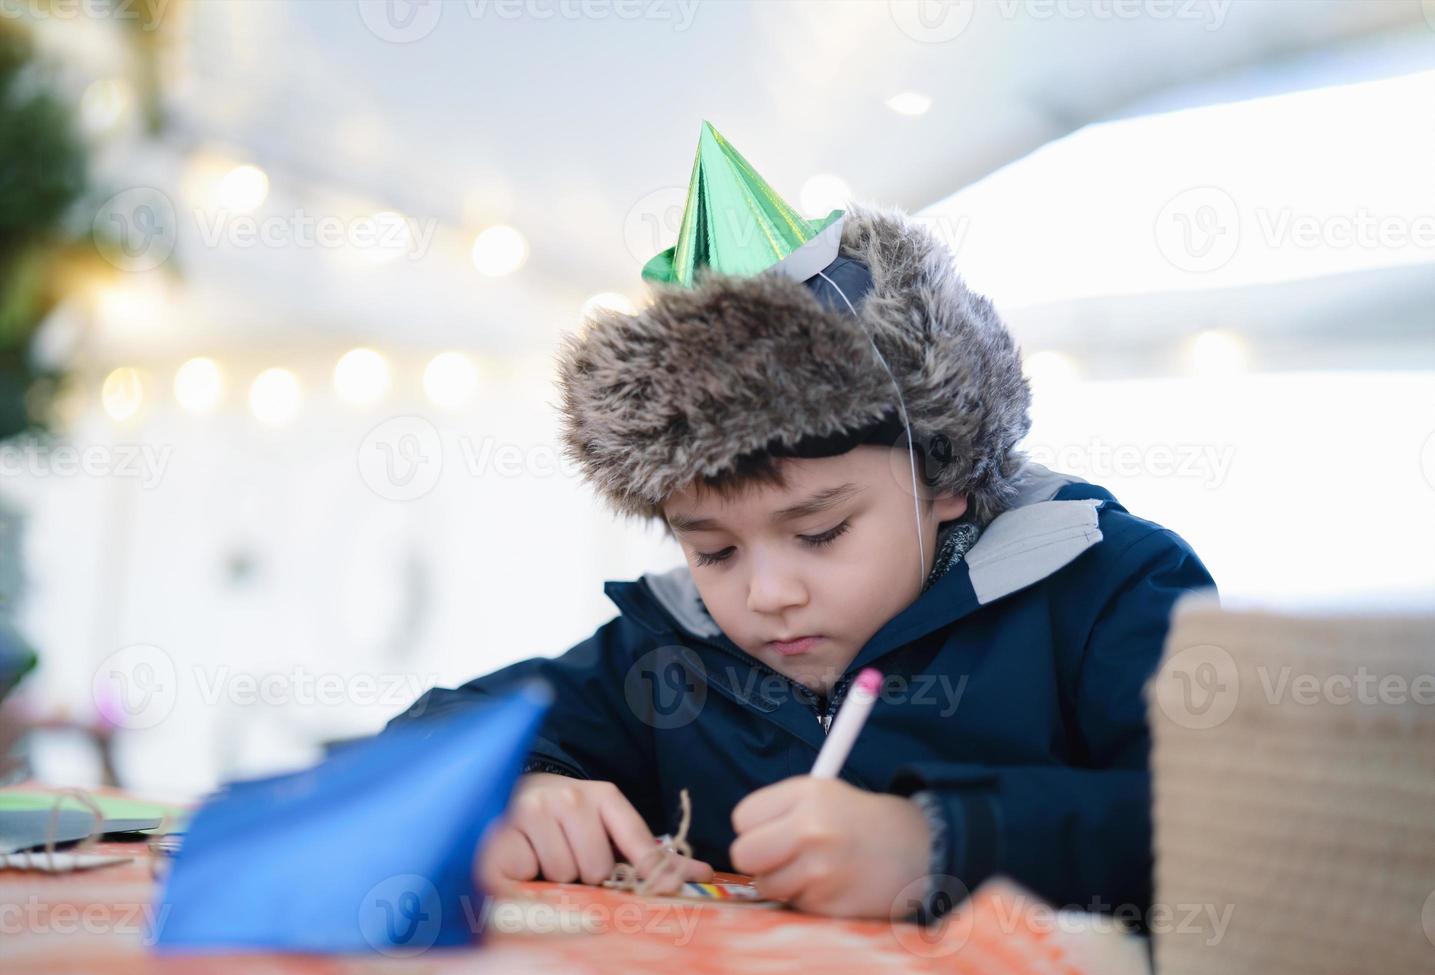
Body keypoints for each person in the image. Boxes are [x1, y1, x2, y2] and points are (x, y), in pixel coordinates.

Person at [386, 122, 1217, 921]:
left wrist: (940, 843)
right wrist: (519, 784)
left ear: (944, 471)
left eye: (820, 533)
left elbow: (1229, 823)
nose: (768, 593)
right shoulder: (670, 656)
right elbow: (429, 738)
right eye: (711, 549)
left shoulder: (1105, 587)